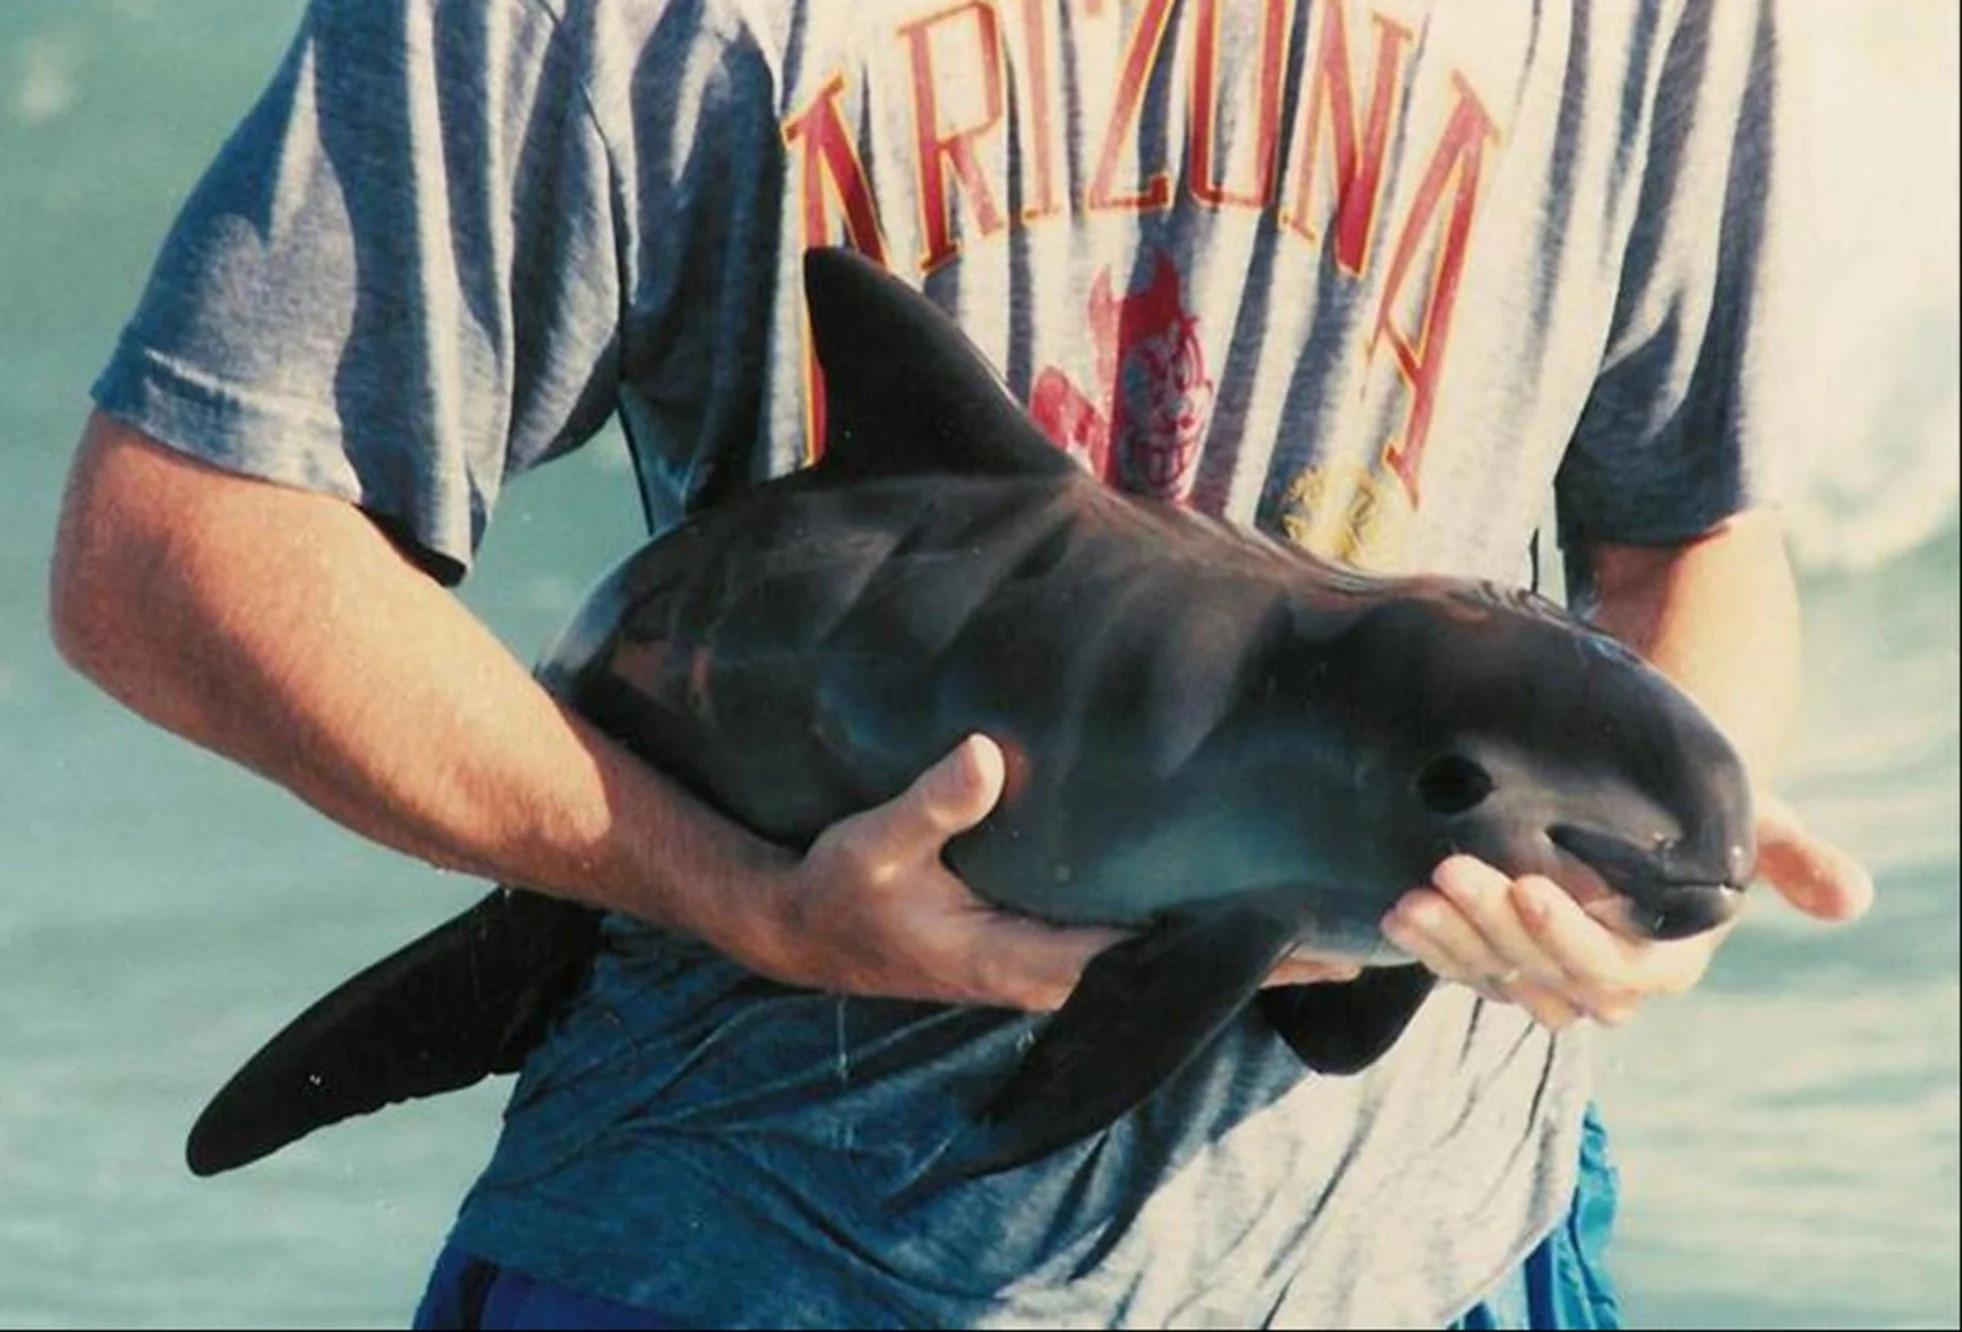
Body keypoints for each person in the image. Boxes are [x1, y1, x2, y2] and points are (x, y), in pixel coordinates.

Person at [50, 0, 1872, 1326]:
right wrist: (731, 893)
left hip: (1445, 1251)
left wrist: (1635, 909)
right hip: (751, 1257)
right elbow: (178, 546)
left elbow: (1685, 536)